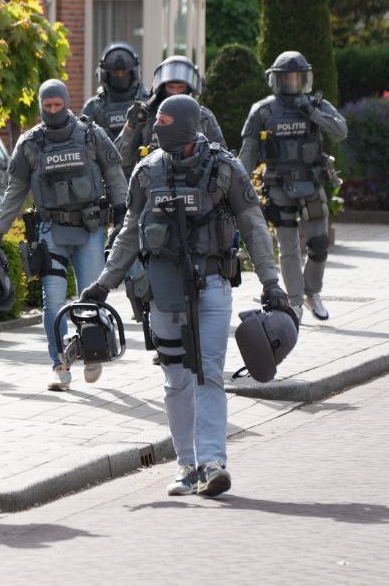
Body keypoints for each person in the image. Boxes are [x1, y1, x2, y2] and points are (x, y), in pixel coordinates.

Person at [80, 94, 292, 498]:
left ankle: (213, 463)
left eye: (165, 121)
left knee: (208, 371)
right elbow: (128, 233)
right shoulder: (147, 172)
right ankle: (186, 466)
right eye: (156, 121)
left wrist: (271, 282)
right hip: (164, 290)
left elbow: (253, 226)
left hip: (213, 284)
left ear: (186, 125)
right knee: (176, 378)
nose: (157, 127)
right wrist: (104, 284)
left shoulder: (225, 169)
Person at [0, 79, 128, 392]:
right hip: (51, 231)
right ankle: (59, 365)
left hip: (90, 228)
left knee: (90, 300)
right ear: (40, 106)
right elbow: (15, 190)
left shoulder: (91, 135)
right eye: (46, 106)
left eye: (57, 105)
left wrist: (122, 217)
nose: (52, 110)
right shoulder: (30, 144)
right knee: (53, 302)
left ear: (66, 103)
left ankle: (92, 353)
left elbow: (115, 176)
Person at [238, 51, 348, 321]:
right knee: (288, 248)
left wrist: (312, 113)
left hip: (311, 183)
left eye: (297, 77)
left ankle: (312, 292)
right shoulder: (263, 110)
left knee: (319, 243)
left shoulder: (317, 104)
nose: (292, 82)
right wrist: (238, 187)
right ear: (277, 79)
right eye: (287, 77)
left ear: (305, 78)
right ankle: (295, 302)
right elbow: (247, 153)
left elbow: (340, 132)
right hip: (278, 186)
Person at [116, 55, 224, 176]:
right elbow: (119, 161)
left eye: (180, 87)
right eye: (171, 87)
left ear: (189, 88)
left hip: (195, 181)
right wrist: (130, 126)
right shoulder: (145, 116)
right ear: (162, 88)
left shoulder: (203, 117)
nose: (176, 93)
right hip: (153, 181)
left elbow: (221, 158)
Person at [82, 42, 150, 141]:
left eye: (124, 72)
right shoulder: (94, 106)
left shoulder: (148, 101)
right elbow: (82, 140)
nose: (120, 76)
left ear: (134, 73)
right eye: (115, 73)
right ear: (104, 75)